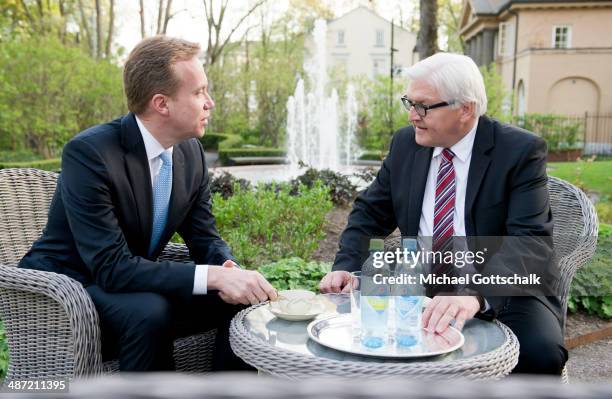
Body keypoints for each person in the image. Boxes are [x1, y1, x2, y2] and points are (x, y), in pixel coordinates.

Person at [18, 36, 277, 372]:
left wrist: (230, 273)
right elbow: (110, 267)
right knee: (149, 311)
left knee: (243, 304)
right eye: (198, 92)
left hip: (130, 278)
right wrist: (210, 277)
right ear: (162, 104)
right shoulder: (90, 154)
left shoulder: (191, 154)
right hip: (71, 285)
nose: (209, 102)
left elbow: (205, 238)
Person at [319, 53, 567, 375]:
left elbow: (529, 241)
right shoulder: (407, 143)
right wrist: (348, 268)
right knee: (352, 341)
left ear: (465, 108)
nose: (411, 115)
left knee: (539, 353)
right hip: (417, 286)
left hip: (504, 289)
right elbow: (369, 213)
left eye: (423, 106)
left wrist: (475, 295)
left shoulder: (519, 152)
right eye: (408, 102)